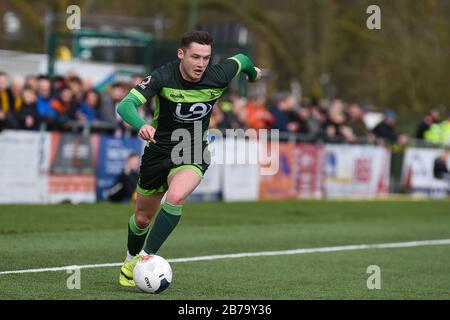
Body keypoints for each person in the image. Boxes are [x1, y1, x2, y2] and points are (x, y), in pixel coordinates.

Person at [116, 30, 262, 287]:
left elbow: (243, 59)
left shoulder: (218, 74)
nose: (201, 63)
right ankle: (130, 257)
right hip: (158, 150)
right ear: (181, 54)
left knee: (175, 197)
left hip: (193, 149)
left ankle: (143, 259)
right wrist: (140, 124)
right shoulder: (162, 76)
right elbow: (125, 105)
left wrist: (252, 74)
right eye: (195, 57)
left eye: (206, 58)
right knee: (142, 219)